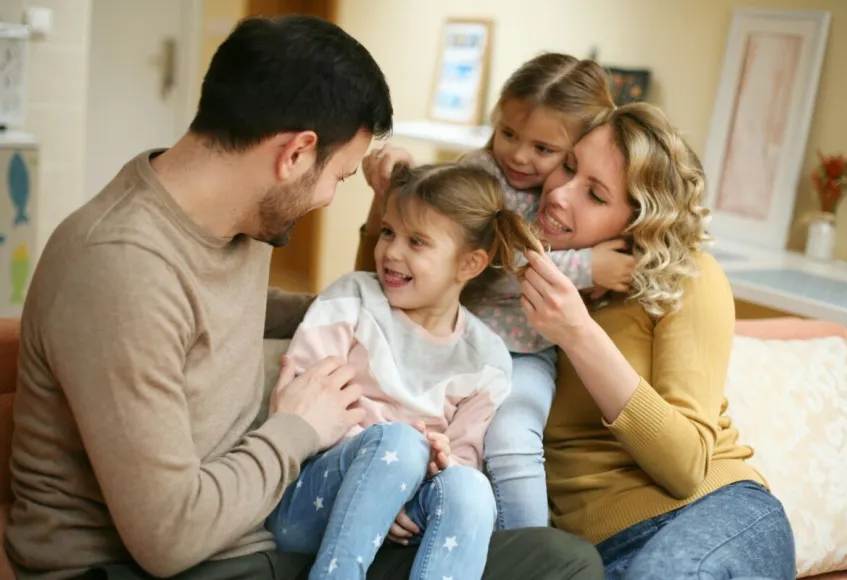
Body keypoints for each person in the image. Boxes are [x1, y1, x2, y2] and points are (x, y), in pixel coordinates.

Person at [5, 14, 603, 580]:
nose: (327, 200)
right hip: (160, 564)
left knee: (560, 559)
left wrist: (372, 314)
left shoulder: (234, 223)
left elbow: (215, 308)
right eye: (339, 177)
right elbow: (169, 538)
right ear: (294, 154)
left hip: (250, 538)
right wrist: (298, 428)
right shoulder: (120, 268)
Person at [359, 102, 796, 580]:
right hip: (590, 557)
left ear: (637, 221)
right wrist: (385, 201)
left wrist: (578, 333)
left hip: (710, 512)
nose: (560, 194)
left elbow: (686, 467)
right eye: (567, 166)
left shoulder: (685, 278)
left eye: (595, 194)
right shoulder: (501, 279)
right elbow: (384, 309)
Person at [363, 52, 636, 531]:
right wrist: (588, 266)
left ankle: (531, 550)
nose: (520, 156)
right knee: (422, 428)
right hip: (458, 339)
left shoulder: (566, 198)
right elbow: (491, 260)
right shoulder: (480, 175)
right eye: (509, 134)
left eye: (543, 148)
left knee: (514, 444)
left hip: (528, 353)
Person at [267, 163, 543, 579]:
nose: (392, 252)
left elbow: (464, 456)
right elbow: (303, 401)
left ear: (469, 264)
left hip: (407, 525)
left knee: (472, 488)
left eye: (416, 241)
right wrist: (383, 478)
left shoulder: (488, 359)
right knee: (400, 442)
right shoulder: (353, 298)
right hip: (311, 501)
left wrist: (439, 462)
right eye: (388, 232)